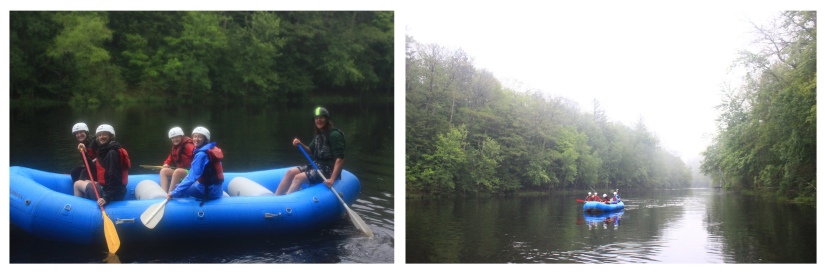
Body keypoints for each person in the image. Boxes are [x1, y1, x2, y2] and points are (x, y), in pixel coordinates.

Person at [275, 107, 346, 195]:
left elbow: (340, 158)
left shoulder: (334, 135)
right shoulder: (319, 135)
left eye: (321, 118)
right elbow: (310, 151)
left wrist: (332, 179)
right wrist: (300, 144)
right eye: (316, 118)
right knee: (290, 172)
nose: (318, 120)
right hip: (317, 165)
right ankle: (276, 198)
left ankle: (285, 202)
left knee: (298, 178)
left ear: (327, 119)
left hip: (329, 169)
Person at [73, 124, 130, 207]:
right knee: (85, 181)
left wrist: (107, 197)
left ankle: (78, 209)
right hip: (109, 189)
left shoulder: (112, 153)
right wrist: (84, 153)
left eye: (104, 134)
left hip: (112, 194)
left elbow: (114, 176)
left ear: (111, 136)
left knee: (77, 184)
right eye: (99, 135)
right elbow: (93, 168)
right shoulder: (105, 150)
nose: (101, 137)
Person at [168, 126, 224, 205]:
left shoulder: (201, 154)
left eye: (200, 137)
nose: (196, 139)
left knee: (177, 187)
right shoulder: (210, 149)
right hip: (216, 189)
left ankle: (181, 208)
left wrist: (174, 193)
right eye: (195, 136)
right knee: (185, 186)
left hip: (209, 191)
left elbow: (192, 177)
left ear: (205, 139)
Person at [159, 127, 195, 193]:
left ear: (181, 136)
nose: (174, 139)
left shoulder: (188, 146)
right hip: (184, 172)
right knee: (163, 171)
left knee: (177, 171)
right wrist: (166, 164)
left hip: (192, 172)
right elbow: (170, 158)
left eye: (176, 137)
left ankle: (171, 194)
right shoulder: (176, 148)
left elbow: (197, 155)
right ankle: (163, 193)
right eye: (172, 138)